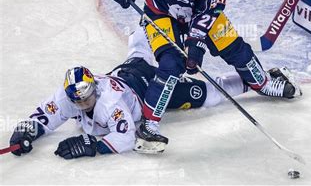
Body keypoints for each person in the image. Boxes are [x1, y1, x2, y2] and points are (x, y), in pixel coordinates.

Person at [107, 0, 302, 153]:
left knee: (234, 49)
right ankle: (149, 126)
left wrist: (195, 45)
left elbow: (208, 14)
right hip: (160, 15)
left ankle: (264, 83)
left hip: (199, 18)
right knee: (171, 65)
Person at [9, 29, 290, 158]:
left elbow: (127, 136)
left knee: (204, 94)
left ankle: (253, 82)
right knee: (138, 49)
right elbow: (46, 114)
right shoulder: (69, 95)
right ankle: (141, 32)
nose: (82, 102)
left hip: (149, 91)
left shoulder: (110, 104)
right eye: (77, 99)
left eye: (86, 96)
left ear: (94, 85)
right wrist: (27, 130)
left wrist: (90, 147)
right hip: (127, 73)